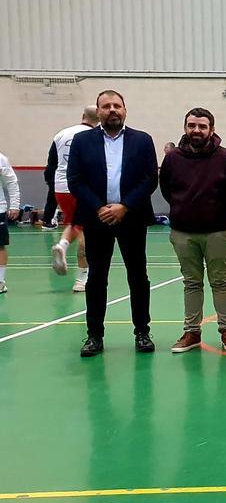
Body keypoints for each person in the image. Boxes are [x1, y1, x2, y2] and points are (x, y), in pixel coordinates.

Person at [67, 90, 159, 356]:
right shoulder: (82, 141)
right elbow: (75, 179)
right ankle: (94, 336)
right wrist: (100, 208)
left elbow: (149, 179)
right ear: (98, 111)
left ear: (125, 110)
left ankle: (142, 332)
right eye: (106, 106)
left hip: (131, 217)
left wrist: (124, 206)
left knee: (138, 276)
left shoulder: (142, 140)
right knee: (96, 278)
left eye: (117, 105)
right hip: (97, 219)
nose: (112, 110)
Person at [161, 107, 226, 353]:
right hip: (183, 232)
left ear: (211, 130)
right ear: (185, 128)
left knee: (220, 281)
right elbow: (167, 189)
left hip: (217, 231)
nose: (196, 130)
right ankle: (192, 333)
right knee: (191, 283)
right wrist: (182, 209)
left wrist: (220, 214)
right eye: (192, 126)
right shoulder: (173, 158)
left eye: (202, 126)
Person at [49, 106, 99, 293]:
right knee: (87, 230)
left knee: (74, 223)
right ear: (99, 118)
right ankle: (82, 279)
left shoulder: (61, 134)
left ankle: (62, 245)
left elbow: (51, 163)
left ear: (83, 116)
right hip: (82, 187)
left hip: (60, 186)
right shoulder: (95, 136)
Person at [0, 150, 19, 294]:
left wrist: (14, 205)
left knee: (0, 246)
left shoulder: (1, 159)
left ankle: (0, 281)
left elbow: (11, 182)